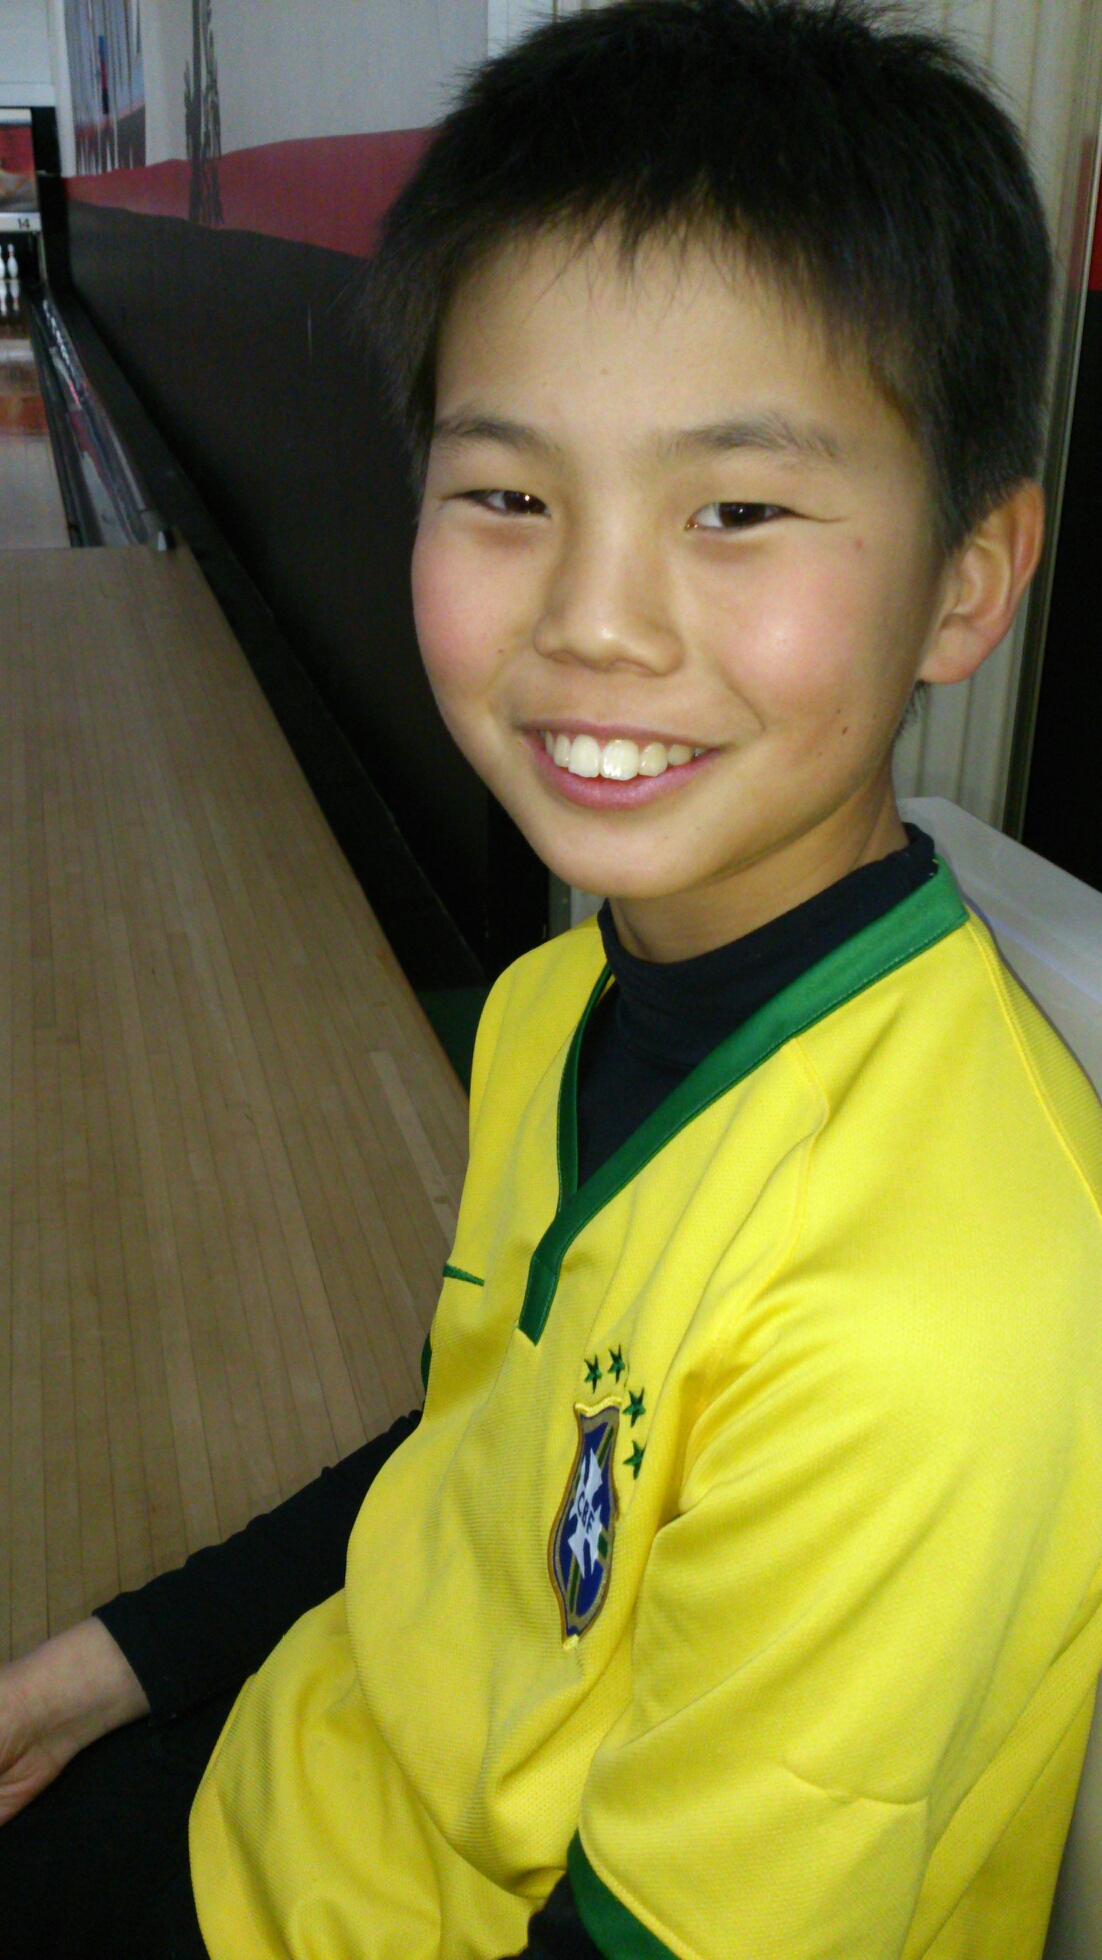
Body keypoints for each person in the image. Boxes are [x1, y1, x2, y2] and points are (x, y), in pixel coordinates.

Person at [4, 3, 1102, 1955]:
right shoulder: (553, 1002)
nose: (593, 621)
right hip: (307, 1782)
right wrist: (105, 1664)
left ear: (965, 578)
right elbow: (487, 1456)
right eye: (508, 495)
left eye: (735, 510)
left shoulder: (935, 1319)